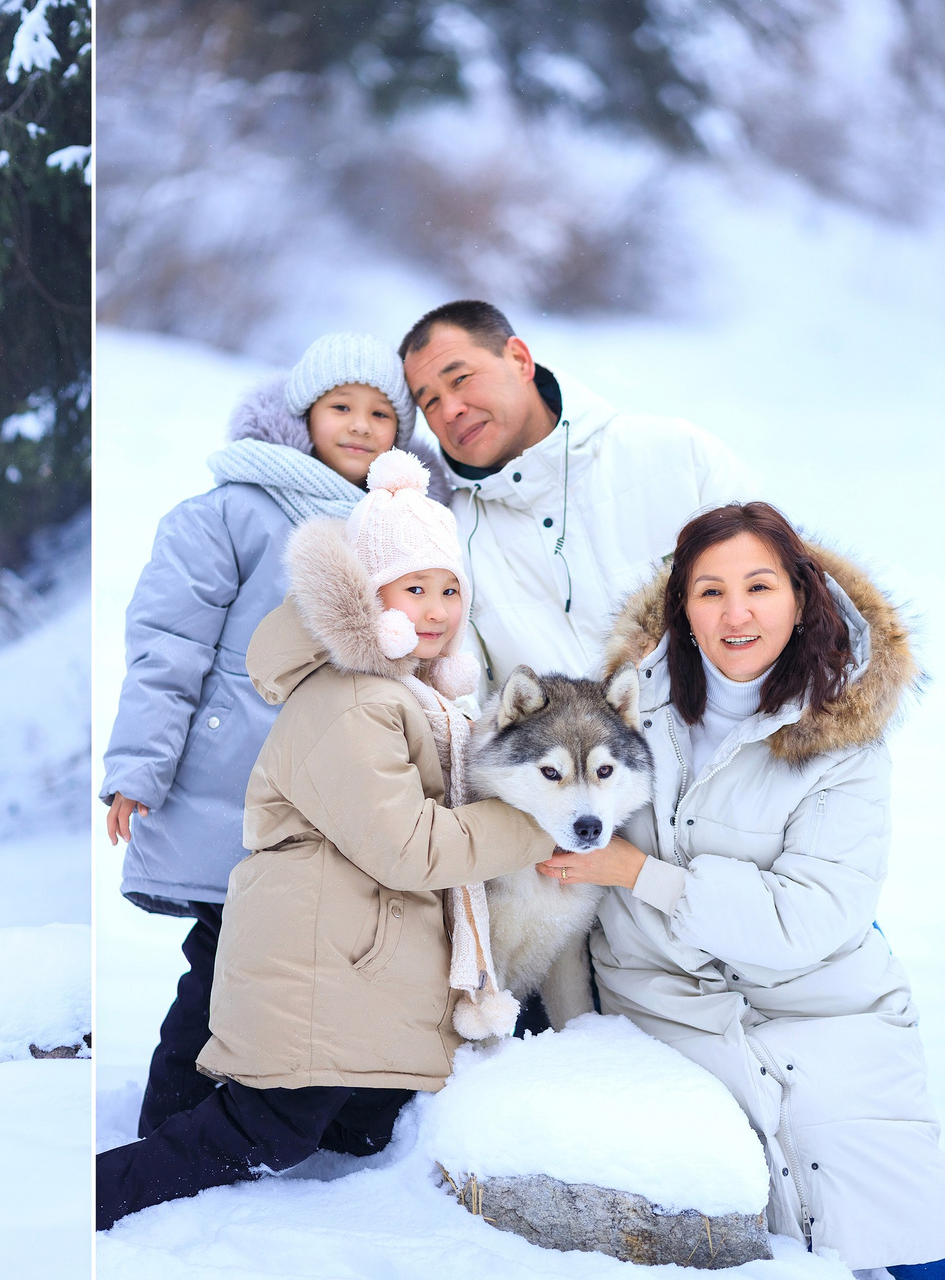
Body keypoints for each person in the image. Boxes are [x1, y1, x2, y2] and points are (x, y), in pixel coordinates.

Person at [97, 452, 569, 1230]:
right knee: (271, 1128)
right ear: (367, 596)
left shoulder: (406, 692)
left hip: (358, 956)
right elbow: (409, 848)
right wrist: (530, 825)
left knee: (361, 1124)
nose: (437, 608)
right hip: (324, 959)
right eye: (413, 588)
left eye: (449, 589)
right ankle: (103, 1194)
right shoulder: (354, 701)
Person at [540, 502, 945, 1276]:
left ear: (801, 599)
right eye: (709, 592)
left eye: (759, 587)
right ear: (681, 612)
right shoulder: (619, 716)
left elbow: (810, 919)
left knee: (905, 1239)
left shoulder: (847, 746)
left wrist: (640, 874)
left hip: (823, 1008)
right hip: (667, 1010)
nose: (736, 614)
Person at [104, 332, 451, 1135]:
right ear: (300, 416)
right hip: (232, 780)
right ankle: (175, 1118)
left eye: (380, 414)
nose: (361, 426)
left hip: (341, 790)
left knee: (312, 966)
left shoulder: (399, 528)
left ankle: (326, 1114)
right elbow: (169, 649)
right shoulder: (233, 509)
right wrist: (137, 770)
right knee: (224, 959)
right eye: (341, 408)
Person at [398, 299, 753, 688]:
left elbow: (778, 620)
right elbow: (459, 697)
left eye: (460, 378)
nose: (449, 410)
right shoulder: (447, 533)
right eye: (429, 401)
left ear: (519, 359)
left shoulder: (681, 457)